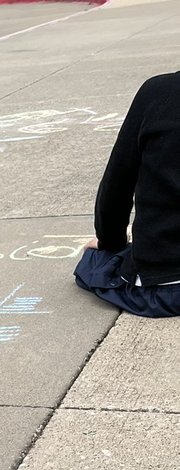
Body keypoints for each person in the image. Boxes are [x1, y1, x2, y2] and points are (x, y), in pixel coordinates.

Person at [74, 71, 180, 318]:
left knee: (93, 263)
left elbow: (117, 182)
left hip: (167, 285)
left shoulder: (157, 92)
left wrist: (109, 243)